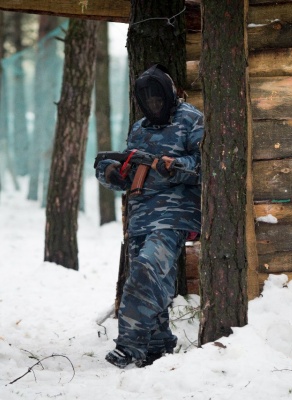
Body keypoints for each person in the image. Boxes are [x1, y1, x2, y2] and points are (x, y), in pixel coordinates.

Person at [95, 64, 203, 368]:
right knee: (154, 278)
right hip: (141, 216)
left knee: (146, 271)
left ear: (169, 94)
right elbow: (130, 167)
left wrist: (174, 165)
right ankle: (158, 346)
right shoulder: (139, 128)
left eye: (158, 98)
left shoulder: (192, 120)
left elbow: (206, 163)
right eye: (148, 100)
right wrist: (114, 174)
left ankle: (129, 346)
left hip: (174, 214)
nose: (154, 104)